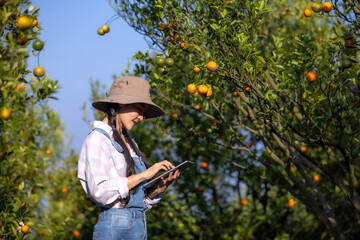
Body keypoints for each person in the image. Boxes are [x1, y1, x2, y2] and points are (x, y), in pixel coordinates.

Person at [77, 76, 181, 239]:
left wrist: (158, 189)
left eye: (143, 113)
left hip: (138, 226)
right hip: (114, 228)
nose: (141, 117)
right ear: (120, 103)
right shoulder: (97, 140)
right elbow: (100, 192)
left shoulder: (130, 143)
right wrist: (145, 174)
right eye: (139, 109)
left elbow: (135, 199)